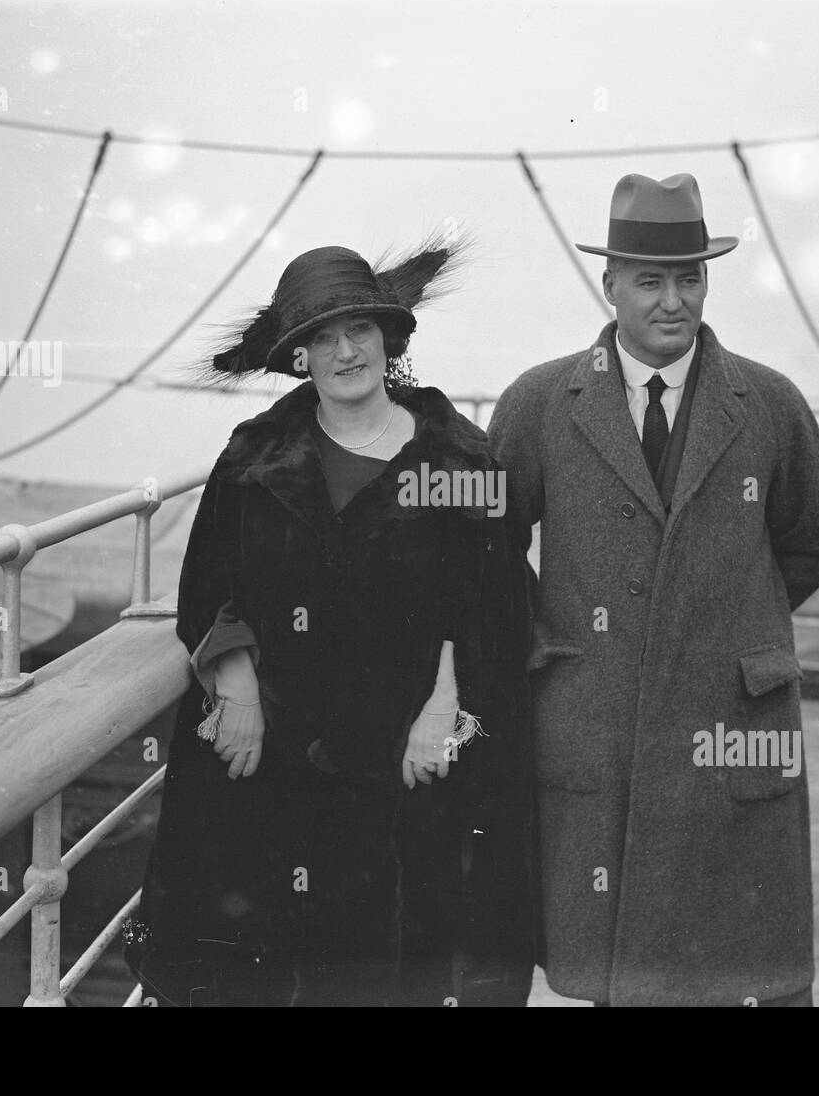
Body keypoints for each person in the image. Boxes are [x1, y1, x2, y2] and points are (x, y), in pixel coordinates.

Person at [125, 240, 536, 1006]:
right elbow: (209, 585)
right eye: (324, 337)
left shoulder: (460, 464)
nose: (346, 350)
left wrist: (448, 705)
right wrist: (235, 677)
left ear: (390, 340)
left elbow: (494, 609)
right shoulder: (254, 459)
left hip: (404, 768)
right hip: (273, 764)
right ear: (300, 357)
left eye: (361, 330)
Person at [488, 173, 819, 1007]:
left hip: (732, 719)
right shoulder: (541, 402)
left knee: (736, 963)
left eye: (690, 277)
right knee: (607, 960)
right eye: (650, 280)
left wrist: (724, 620)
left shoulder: (770, 402)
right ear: (609, 283)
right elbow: (485, 546)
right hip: (593, 715)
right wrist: (551, 644)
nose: (673, 300)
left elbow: (816, 538)